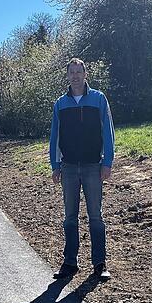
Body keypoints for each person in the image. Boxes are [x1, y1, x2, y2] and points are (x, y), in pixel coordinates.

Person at [49, 58, 115, 281]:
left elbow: (108, 131)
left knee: (95, 217)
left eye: (79, 71)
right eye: (72, 72)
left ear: (85, 74)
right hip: (67, 167)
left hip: (92, 166)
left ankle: (99, 263)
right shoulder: (60, 103)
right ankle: (70, 262)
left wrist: (107, 162)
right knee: (70, 217)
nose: (75, 75)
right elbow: (54, 137)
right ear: (67, 75)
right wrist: (55, 165)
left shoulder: (98, 99)